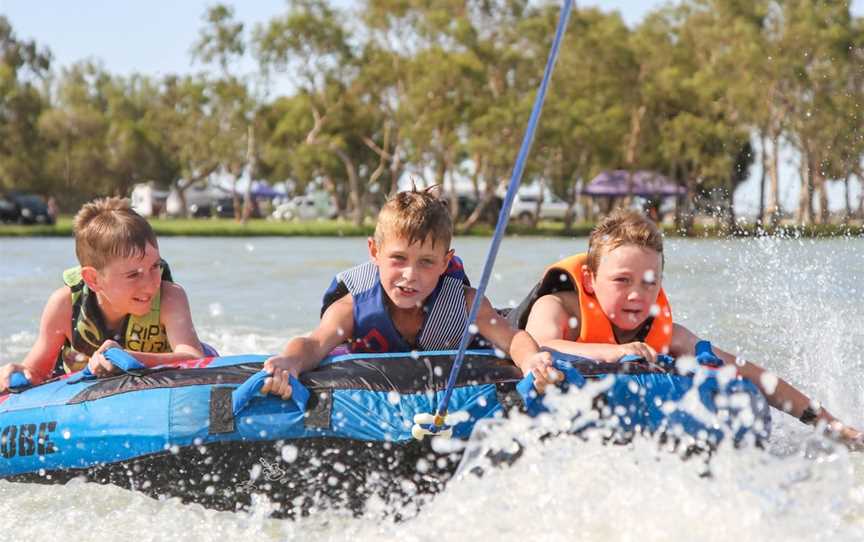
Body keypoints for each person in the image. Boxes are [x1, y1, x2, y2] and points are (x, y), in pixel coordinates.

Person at [512, 207, 862, 447]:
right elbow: (541, 343)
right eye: (622, 280)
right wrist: (615, 352)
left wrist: (828, 424)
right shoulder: (556, 306)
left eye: (650, 282)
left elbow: (751, 374)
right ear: (590, 279)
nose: (637, 294)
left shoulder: (666, 333)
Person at [262, 187, 559, 399]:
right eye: (398, 258)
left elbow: (512, 338)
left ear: (445, 262)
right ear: (374, 251)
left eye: (426, 262)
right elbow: (313, 344)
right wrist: (289, 363)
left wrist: (532, 361)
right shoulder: (353, 306)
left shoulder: (467, 304)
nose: (410, 275)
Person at [0, 197, 206, 392]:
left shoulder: (170, 298)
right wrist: (15, 374)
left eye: (155, 266)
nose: (151, 284)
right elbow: (35, 373)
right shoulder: (64, 306)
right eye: (133, 274)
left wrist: (127, 358)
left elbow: (193, 357)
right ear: (93, 279)